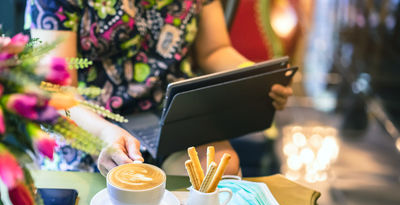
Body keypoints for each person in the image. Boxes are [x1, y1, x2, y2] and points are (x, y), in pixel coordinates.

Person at [27, 0, 293, 176]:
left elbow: (214, 50)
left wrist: (258, 79)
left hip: (174, 112)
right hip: (91, 121)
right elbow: (55, 88)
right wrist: (104, 134)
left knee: (217, 171)